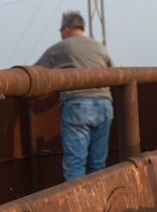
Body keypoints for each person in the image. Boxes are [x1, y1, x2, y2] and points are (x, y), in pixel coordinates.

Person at [34, 11, 115, 181]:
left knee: (75, 165)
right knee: (98, 166)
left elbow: (35, 73)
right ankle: (98, 206)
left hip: (78, 106)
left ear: (66, 28)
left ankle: (78, 208)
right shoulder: (99, 47)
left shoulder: (62, 47)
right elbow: (114, 73)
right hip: (104, 105)